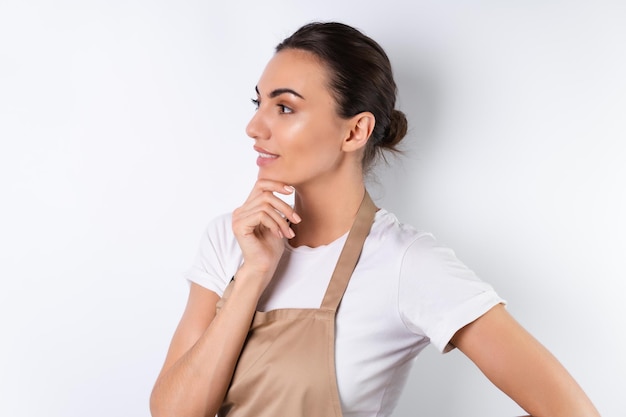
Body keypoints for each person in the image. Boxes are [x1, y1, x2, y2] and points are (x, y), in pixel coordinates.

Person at [150, 22, 600, 417]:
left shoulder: (404, 262)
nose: (255, 126)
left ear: (354, 131)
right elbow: (173, 413)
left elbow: (569, 411)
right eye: (259, 103)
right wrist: (253, 273)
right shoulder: (230, 240)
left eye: (284, 107)